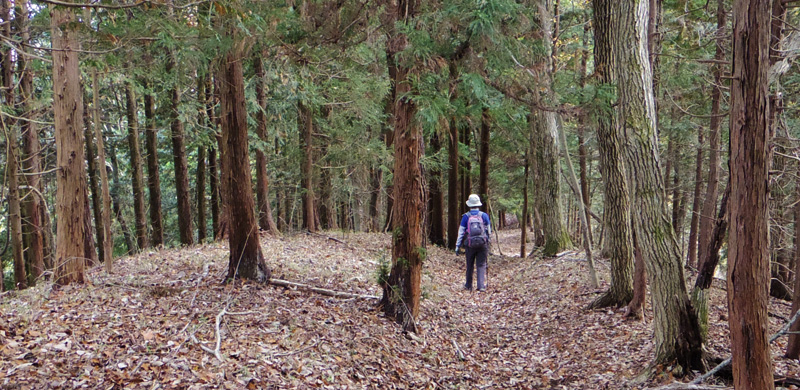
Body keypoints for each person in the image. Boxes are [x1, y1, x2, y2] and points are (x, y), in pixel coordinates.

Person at [455, 194, 491, 291]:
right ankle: (481, 286)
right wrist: (488, 241)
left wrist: (457, 246)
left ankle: (468, 285)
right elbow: (489, 231)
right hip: (482, 244)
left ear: (469, 205)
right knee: (481, 264)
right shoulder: (484, 216)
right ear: (478, 204)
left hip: (470, 245)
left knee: (469, 264)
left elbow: (461, 232)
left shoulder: (466, 217)